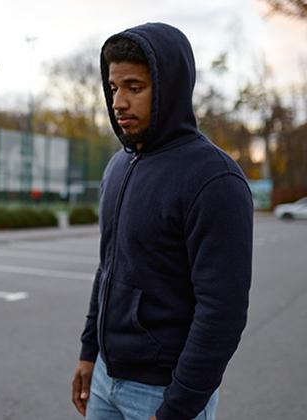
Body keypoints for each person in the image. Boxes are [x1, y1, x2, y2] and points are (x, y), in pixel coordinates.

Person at [71, 23, 253, 420]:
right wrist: (89, 352)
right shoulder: (118, 166)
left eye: (134, 88)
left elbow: (222, 310)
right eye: (114, 87)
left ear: (169, 89)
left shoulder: (214, 179)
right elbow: (107, 270)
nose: (118, 102)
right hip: (105, 379)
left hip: (161, 394)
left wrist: (179, 407)